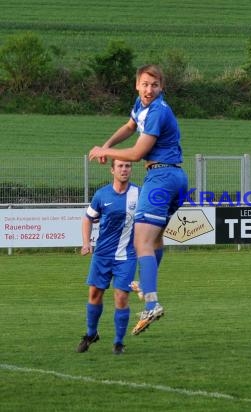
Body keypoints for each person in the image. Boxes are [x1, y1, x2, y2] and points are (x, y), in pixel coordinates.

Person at [88, 64, 188, 335]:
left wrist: (104, 152)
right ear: (137, 86)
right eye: (145, 84)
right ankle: (146, 286)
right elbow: (130, 125)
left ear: (161, 88)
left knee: (140, 241)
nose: (149, 89)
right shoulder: (142, 106)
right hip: (175, 178)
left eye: (154, 85)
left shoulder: (157, 110)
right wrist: (107, 145)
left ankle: (151, 302)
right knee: (154, 240)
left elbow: (136, 153)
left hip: (161, 178)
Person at [77, 160, 139, 355]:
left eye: (128, 166)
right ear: (112, 170)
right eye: (120, 166)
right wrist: (86, 242)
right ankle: (91, 333)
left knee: (121, 297)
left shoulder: (139, 194)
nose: (124, 169)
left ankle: (118, 342)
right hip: (102, 255)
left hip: (127, 256)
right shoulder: (102, 194)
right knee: (95, 294)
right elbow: (88, 218)